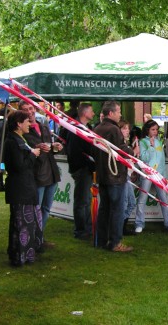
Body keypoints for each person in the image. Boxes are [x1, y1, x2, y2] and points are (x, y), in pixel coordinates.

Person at [93, 101, 136, 252]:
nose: (120, 115)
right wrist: (132, 151)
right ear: (111, 113)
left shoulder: (97, 128)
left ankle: (101, 240)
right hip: (115, 176)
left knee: (104, 208)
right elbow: (122, 150)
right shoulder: (113, 129)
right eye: (118, 112)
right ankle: (116, 242)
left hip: (103, 175)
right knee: (117, 209)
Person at [19, 100, 63, 247]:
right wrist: (46, 147)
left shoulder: (43, 125)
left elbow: (48, 147)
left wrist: (55, 146)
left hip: (51, 172)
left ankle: (39, 238)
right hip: (37, 174)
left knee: (46, 208)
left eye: (31, 108)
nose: (30, 112)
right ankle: (33, 240)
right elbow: (33, 148)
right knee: (35, 209)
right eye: (25, 110)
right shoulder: (23, 131)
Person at [3, 110, 43, 266]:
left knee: (27, 223)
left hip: (26, 187)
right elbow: (19, 165)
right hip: (20, 189)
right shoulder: (12, 142)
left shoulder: (20, 139)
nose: (30, 124)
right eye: (27, 121)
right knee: (22, 225)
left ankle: (26, 254)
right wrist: (33, 154)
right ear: (19, 124)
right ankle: (20, 255)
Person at [135, 120, 168, 234]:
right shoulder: (143, 142)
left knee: (164, 200)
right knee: (142, 200)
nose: (155, 132)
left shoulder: (159, 142)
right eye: (153, 129)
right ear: (147, 130)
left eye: (157, 129)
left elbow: (161, 161)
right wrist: (151, 147)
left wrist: (163, 175)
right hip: (147, 175)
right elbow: (144, 158)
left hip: (159, 175)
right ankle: (139, 224)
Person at [65, 102, 95, 239]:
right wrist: (88, 164)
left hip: (86, 169)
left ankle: (87, 228)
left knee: (87, 200)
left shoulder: (87, 127)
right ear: (84, 113)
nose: (93, 113)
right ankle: (80, 230)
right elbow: (74, 152)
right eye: (91, 111)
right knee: (81, 200)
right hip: (81, 169)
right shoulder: (75, 129)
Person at [118, 120, 138, 235]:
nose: (127, 131)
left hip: (128, 176)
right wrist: (134, 152)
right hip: (122, 177)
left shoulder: (125, 143)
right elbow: (123, 159)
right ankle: (118, 228)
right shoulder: (119, 144)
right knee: (125, 203)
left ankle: (121, 228)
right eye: (124, 128)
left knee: (131, 202)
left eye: (128, 128)